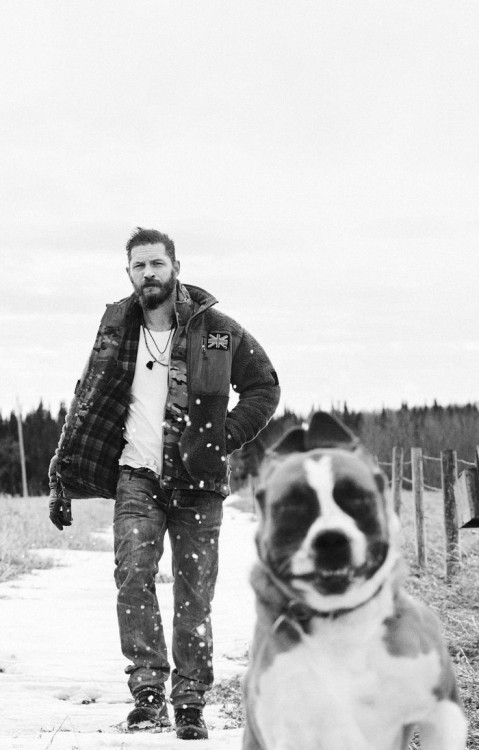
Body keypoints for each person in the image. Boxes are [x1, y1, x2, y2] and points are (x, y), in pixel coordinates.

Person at [48, 228, 280, 740]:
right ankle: (148, 695)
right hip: (137, 478)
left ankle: (191, 700)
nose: (147, 274)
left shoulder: (216, 329)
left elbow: (265, 386)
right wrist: (61, 474)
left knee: (194, 594)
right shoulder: (116, 328)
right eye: (138, 267)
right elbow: (86, 396)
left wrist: (226, 436)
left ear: (175, 265)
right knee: (133, 580)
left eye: (155, 264)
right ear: (128, 272)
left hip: (198, 482)